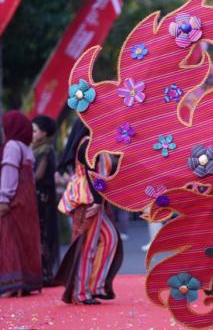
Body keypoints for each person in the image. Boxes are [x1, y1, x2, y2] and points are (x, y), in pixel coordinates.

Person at [54, 120, 123, 305]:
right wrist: (98, 201)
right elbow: (94, 177)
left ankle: (94, 286)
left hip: (93, 199)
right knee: (88, 246)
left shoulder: (93, 142)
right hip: (88, 199)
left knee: (110, 239)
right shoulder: (88, 143)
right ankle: (81, 293)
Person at [0, 111, 42, 297]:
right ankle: (24, 284)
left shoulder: (11, 146)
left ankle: (12, 285)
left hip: (14, 199)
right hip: (27, 201)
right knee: (24, 239)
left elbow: (9, 173)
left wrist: (3, 198)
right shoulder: (26, 147)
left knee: (9, 240)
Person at [31, 115, 60, 286]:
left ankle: (46, 274)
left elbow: (38, 176)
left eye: (34, 131)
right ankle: (42, 272)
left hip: (43, 197)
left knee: (44, 234)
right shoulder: (35, 148)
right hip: (39, 196)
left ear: (44, 133)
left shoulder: (46, 150)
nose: (32, 134)